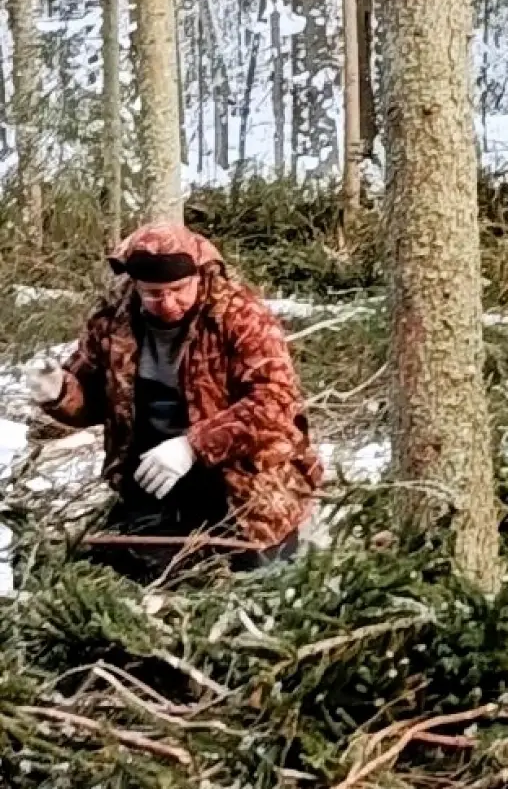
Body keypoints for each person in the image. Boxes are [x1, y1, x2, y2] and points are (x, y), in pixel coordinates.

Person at [23, 223, 323, 580]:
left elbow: (275, 402)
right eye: (152, 293)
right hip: (152, 480)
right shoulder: (113, 322)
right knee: (135, 579)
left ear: (199, 275)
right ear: (134, 286)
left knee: (255, 583)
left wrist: (192, 445)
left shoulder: (240, 316)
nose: (167, 303)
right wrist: (57, 391)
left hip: (247, 488)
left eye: (178, 290)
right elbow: (90, 401)